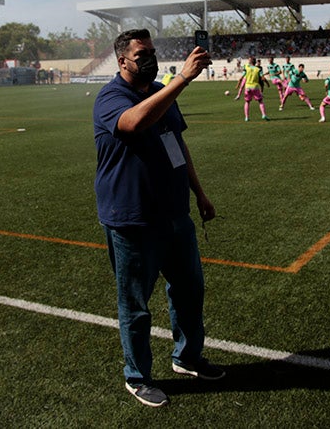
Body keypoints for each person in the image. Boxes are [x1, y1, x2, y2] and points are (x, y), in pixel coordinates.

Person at [93, 29, 224, 408]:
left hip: (175, 214)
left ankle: (187, 356)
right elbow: (134, 123)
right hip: (132, 219)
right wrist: (181, 79)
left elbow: (175, 144)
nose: (149, 58)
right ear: (122, 62)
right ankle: (137, 376)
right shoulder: (110, 97)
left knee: (189, 290)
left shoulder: (160, 91)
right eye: (141, 53)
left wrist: (198, 192)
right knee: (135, 303)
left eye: (151, 51)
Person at [234, 56, 270, 122]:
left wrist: (239, 94)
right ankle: (263, 114)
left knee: (247, 102)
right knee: (260, 101)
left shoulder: (247, 68)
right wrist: (267, 83)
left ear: (250, 62)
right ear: (255, 62)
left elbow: (243, 78)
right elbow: (263, 78)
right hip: (255, 87)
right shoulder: (258, 69)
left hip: (247, 87)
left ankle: (247, 117)